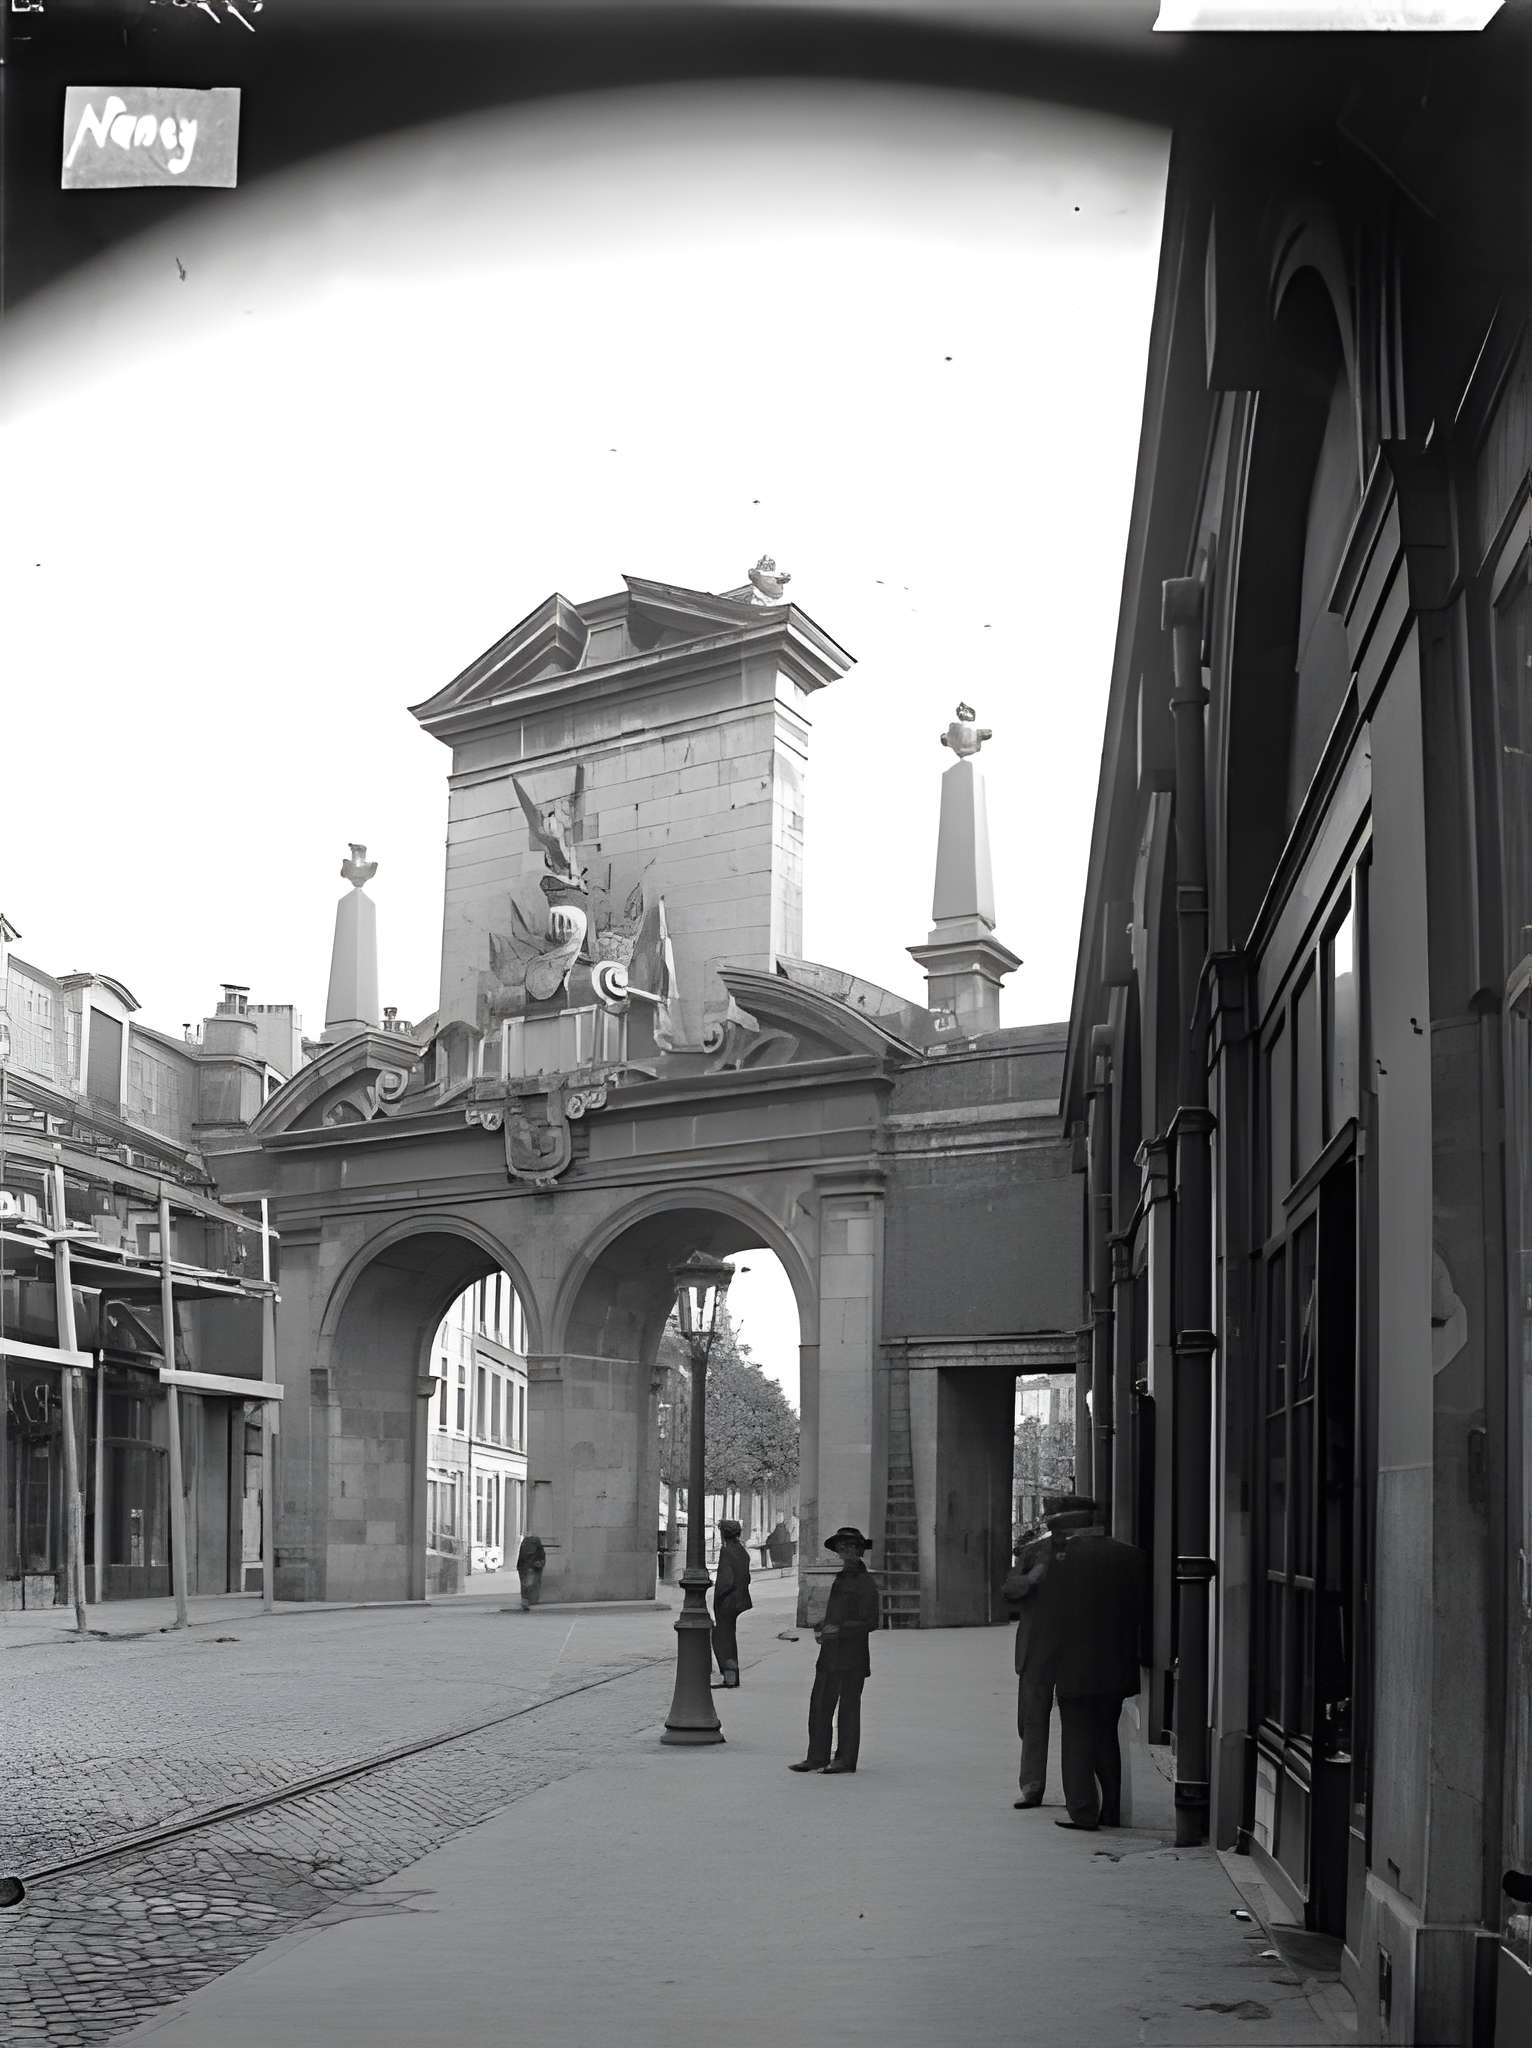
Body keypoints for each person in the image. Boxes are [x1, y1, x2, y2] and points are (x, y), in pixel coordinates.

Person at [1045, 1510, 1145, 1832]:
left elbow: (1053, 1615)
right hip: (1116, 1665)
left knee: (1076, 1738)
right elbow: (1141, 1609)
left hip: (1075, 1665)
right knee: (1106, 1736)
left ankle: (1083, 1810)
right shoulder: (1131, 1556)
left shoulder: (1062, 1562)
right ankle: (1112, 1811)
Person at [1002, 1493, 1098, 1808]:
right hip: (1036, 1647)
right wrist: (1032, 1578)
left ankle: (1081, 1794)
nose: (1060, 1531)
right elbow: (1009, 1590)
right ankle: (1032, 1786)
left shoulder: (1091, 1553)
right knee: (1030, 1719)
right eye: (1056, 1524)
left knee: (1079, 1721)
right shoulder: (1033, 1553)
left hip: (1077, 1646)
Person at [789, 1526, 880, 1776]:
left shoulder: (864, 1582)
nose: (846, 1551)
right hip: (830, 1655)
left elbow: (871, 1621)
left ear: (859, 1551)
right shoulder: (842, 1578)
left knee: (848, 1708)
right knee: (819, 1705)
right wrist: (822, 1627)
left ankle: (845, 1759)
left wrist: (838, 1630)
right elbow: (835, 1615)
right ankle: (816, 1756)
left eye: (851, 1547)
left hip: (852, 1656)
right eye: (842, 1547)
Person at [710, 1517, 753, 1689]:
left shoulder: (726, 1551)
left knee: (722, 1640)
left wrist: (719, 1597)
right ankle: (732, 1677)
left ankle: (730, 1678)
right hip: (738, 1600)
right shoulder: (742, 1551)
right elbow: (747, 1577)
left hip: (727, 1602)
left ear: (723, 1533)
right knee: (728, 1638)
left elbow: (726, 1580)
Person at [516, 1531, 546, 1611]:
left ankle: (526, 1601)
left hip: (527, 1568)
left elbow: (521, 1560)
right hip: (530, 1568)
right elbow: (542, 1556)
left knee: (526, 1585)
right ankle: (529, 1600)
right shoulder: (536, 1544)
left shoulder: (526, 1544)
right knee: (530, 1584)